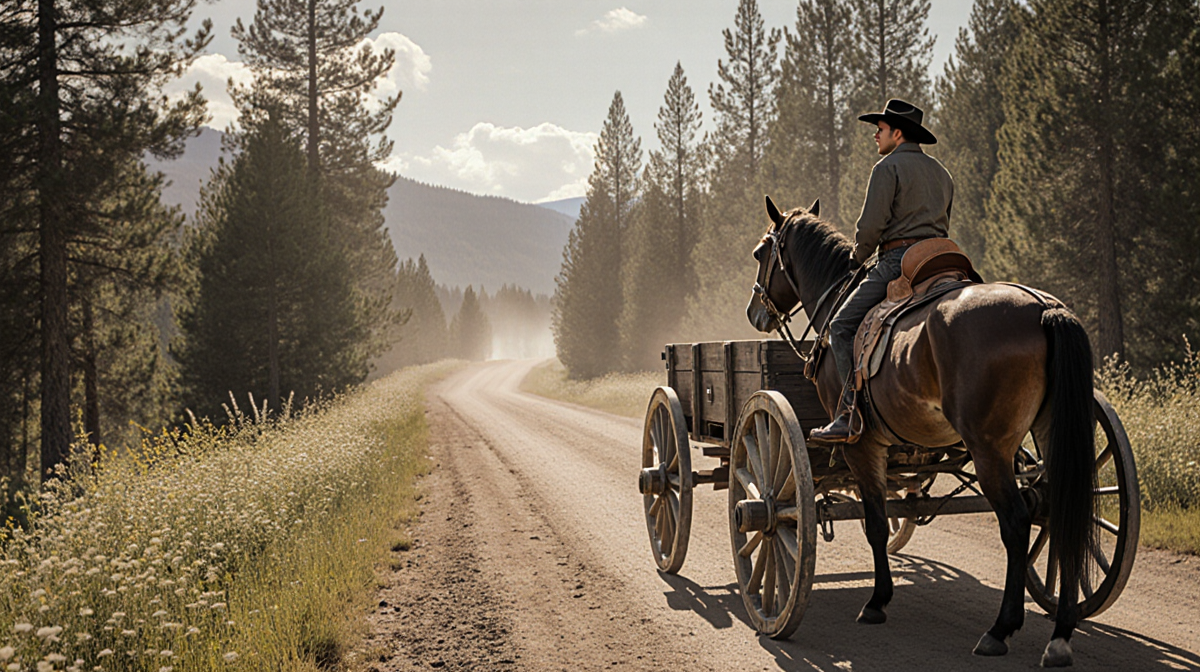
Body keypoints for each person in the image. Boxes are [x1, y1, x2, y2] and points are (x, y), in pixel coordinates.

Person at [808, 99, 954, 445]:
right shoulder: (942, 173)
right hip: (943, 258)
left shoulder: (887, 169)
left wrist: (858, 257)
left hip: (898, 261)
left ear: (897, 133)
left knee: (841, 327)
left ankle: (848, 414)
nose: (875, 135)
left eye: (881, 129)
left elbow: (871, 227)